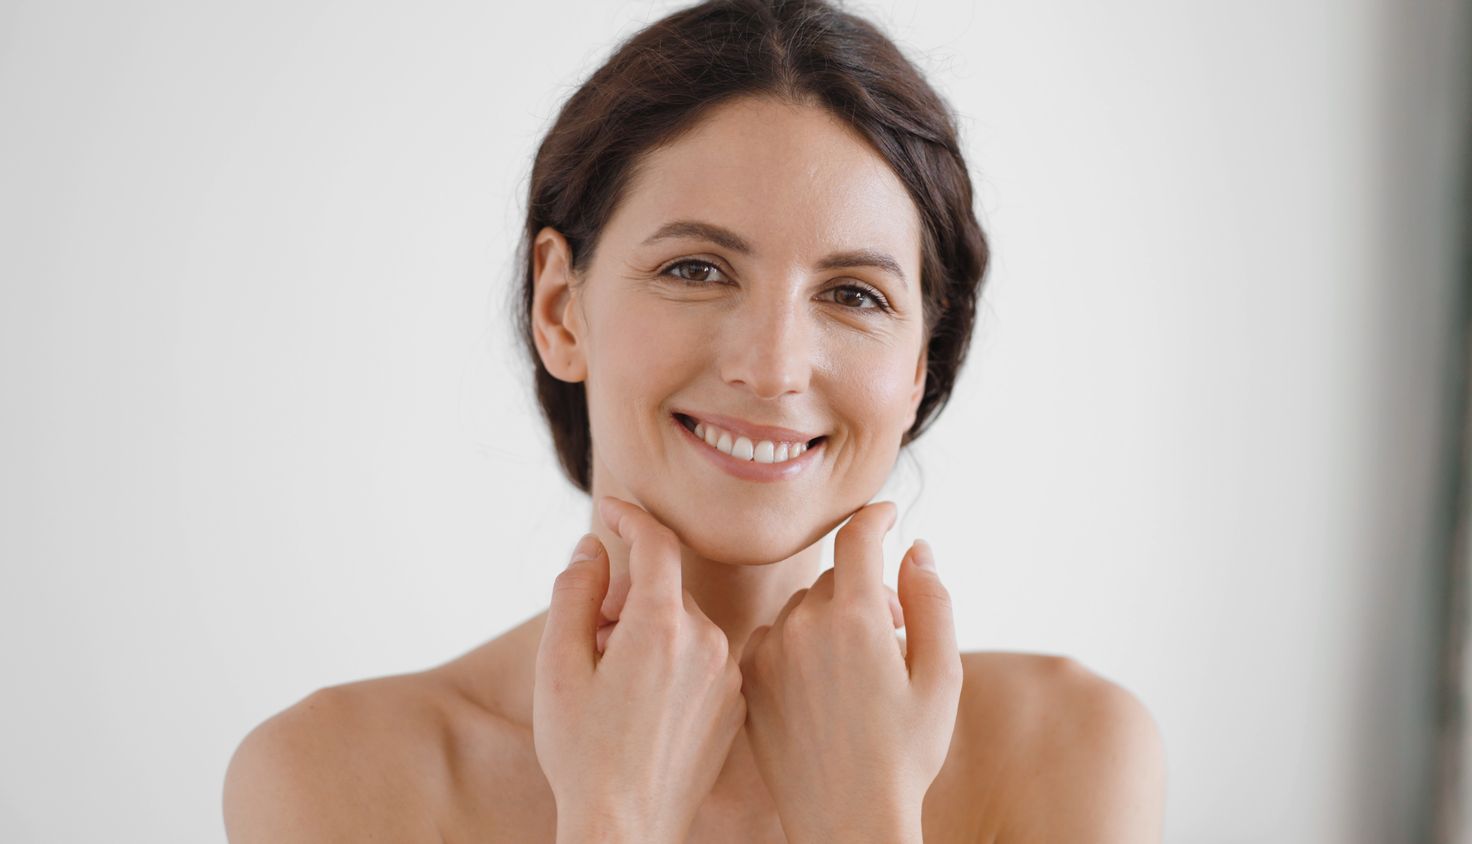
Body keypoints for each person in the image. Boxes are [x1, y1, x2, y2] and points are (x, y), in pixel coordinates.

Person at [223, 0, 1165, 840]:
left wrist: (863, 821)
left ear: (919, 364)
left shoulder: (1072, 753)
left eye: (852, 293)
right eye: (696, 270)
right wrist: (613, 817)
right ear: (560, 307)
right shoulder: (333, 780)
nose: (772, 367)